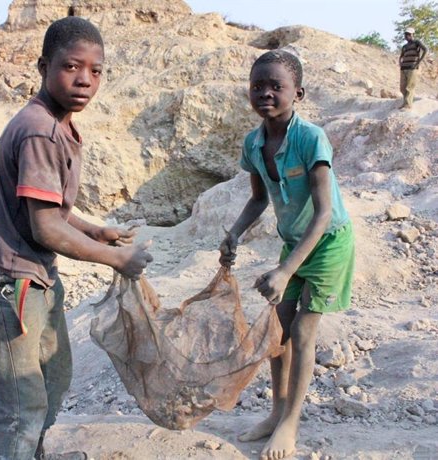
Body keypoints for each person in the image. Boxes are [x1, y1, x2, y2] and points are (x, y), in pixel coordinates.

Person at [0, 16, 153, 460]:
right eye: (71, 67)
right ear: (44, 66)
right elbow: (45, 227)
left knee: (54, 374)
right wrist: (116, 259)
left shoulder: (58, 123)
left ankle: (36, 453)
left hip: (34, 270)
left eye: (96, 70)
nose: (85, 80)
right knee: (21, 395)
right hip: (8, 276)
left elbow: (51, 210)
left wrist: (95, 231)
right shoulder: (40, 130)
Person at [219, 50, 355, 460]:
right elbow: (258, 199)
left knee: (301, 331)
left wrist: (284, 271)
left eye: (276, 86)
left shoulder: (311, 137)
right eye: (257, 86)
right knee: (278, 329)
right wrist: (234, 233)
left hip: (327, 242)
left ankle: (290, 425)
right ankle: (276, 412)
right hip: (293, 242)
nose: (265, 93)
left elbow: (324, 211)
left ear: (298, 92)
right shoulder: (253, 143)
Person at [398, 27, 428, 110]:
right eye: (405, 34)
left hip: (412, 67)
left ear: (412, 34)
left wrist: (419, 62)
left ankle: (408, 104)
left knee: (410, 87)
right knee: (402, 87)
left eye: (408, 34)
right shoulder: (404, 46)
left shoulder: (417, 42)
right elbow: (401, 56)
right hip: (404, 68)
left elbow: (425, 49)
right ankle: (405, 103)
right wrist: (400, 62)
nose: (407, 36)